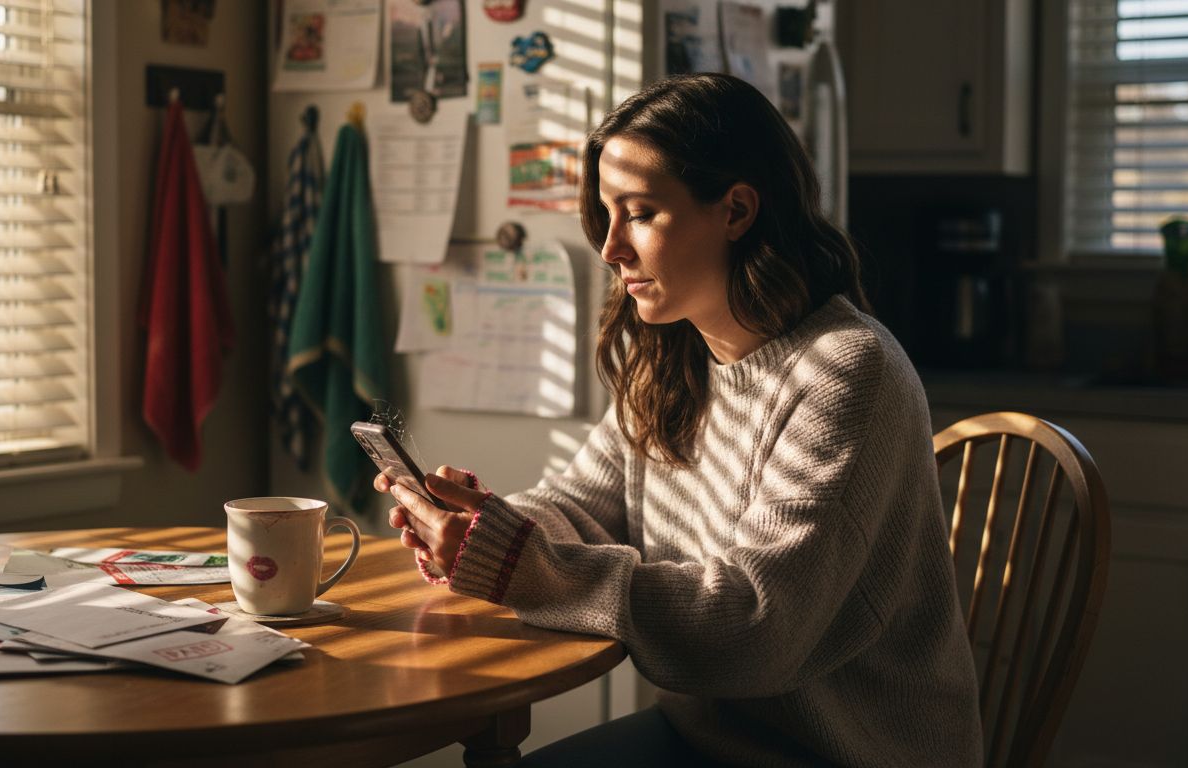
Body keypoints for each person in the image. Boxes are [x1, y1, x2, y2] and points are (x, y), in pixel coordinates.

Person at [375, 73, 982, 767]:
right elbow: (583, 505)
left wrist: (523, 565)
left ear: (736, 210)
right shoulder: (674, 357)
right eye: (606, 214)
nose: (610, 249)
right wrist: (482, 527)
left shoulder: (846, 370)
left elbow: (754, 628)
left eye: (638, 212)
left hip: (845, 753)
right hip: (712, 738)